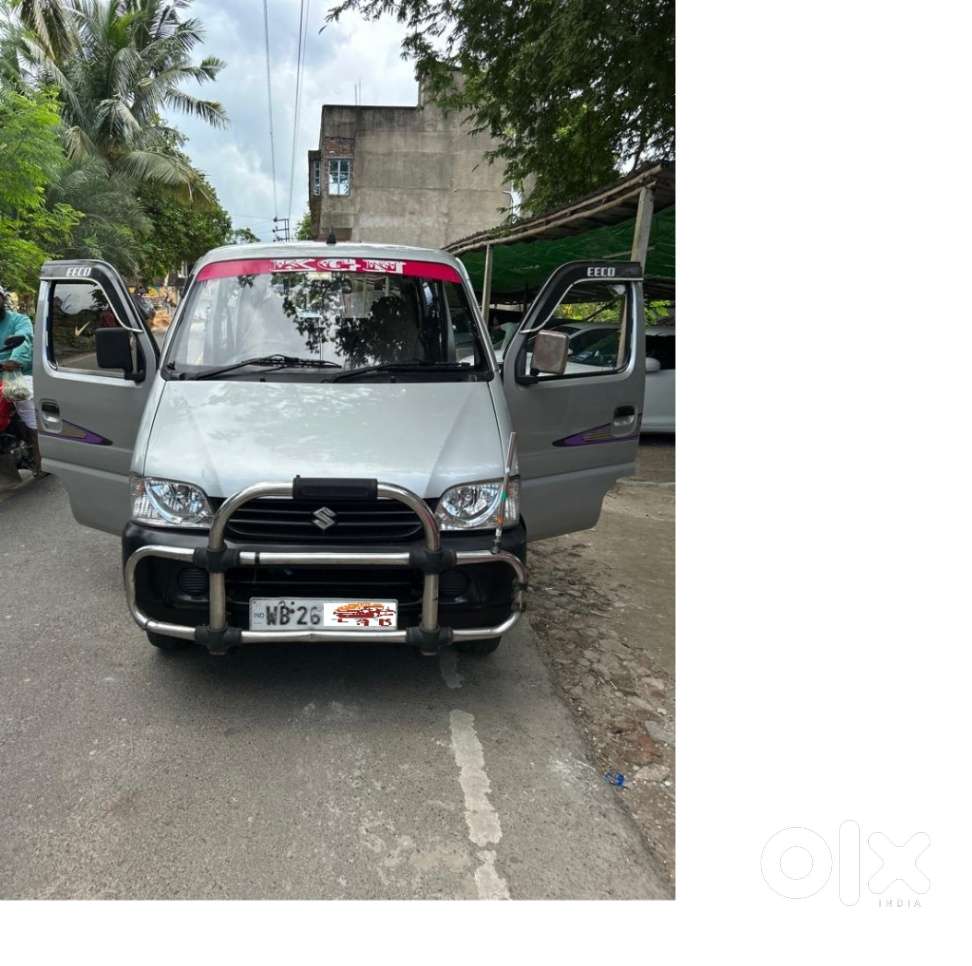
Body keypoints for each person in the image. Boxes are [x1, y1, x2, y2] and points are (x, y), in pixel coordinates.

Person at [0, 283, 42, 477]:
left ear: (2, 299)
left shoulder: (19, 319)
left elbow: (24, 339)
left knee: (24, 401)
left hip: (16, 372)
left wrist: (14, 360)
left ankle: (39, 458)